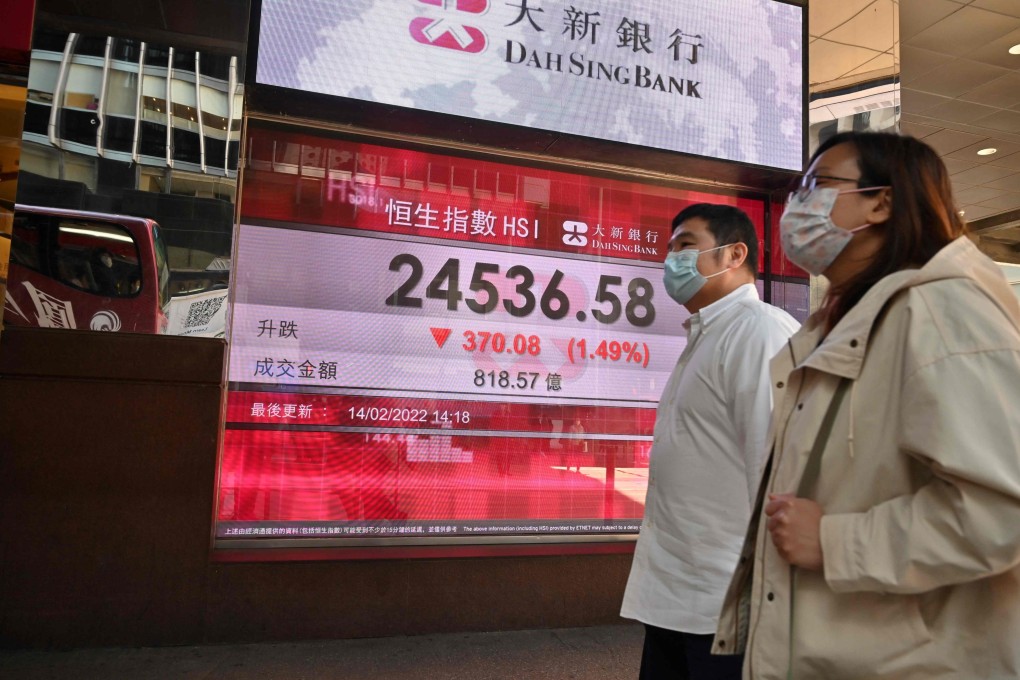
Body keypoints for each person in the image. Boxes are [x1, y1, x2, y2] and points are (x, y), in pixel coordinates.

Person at [712, 131, 1020, 679]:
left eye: (819, 185)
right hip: (850, 648)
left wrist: (836, 542)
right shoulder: (845, 322)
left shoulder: (942, 310)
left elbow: (1002, 514)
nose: (798, 204)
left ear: (882, 202)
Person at [621, 203, 799, 680]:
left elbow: (782, 469)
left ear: (734, 255)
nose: (671, 260)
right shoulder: (706, 336)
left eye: (685, 246)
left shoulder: (759, 331)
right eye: (668, 249)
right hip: (678, 595)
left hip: (728, 602)